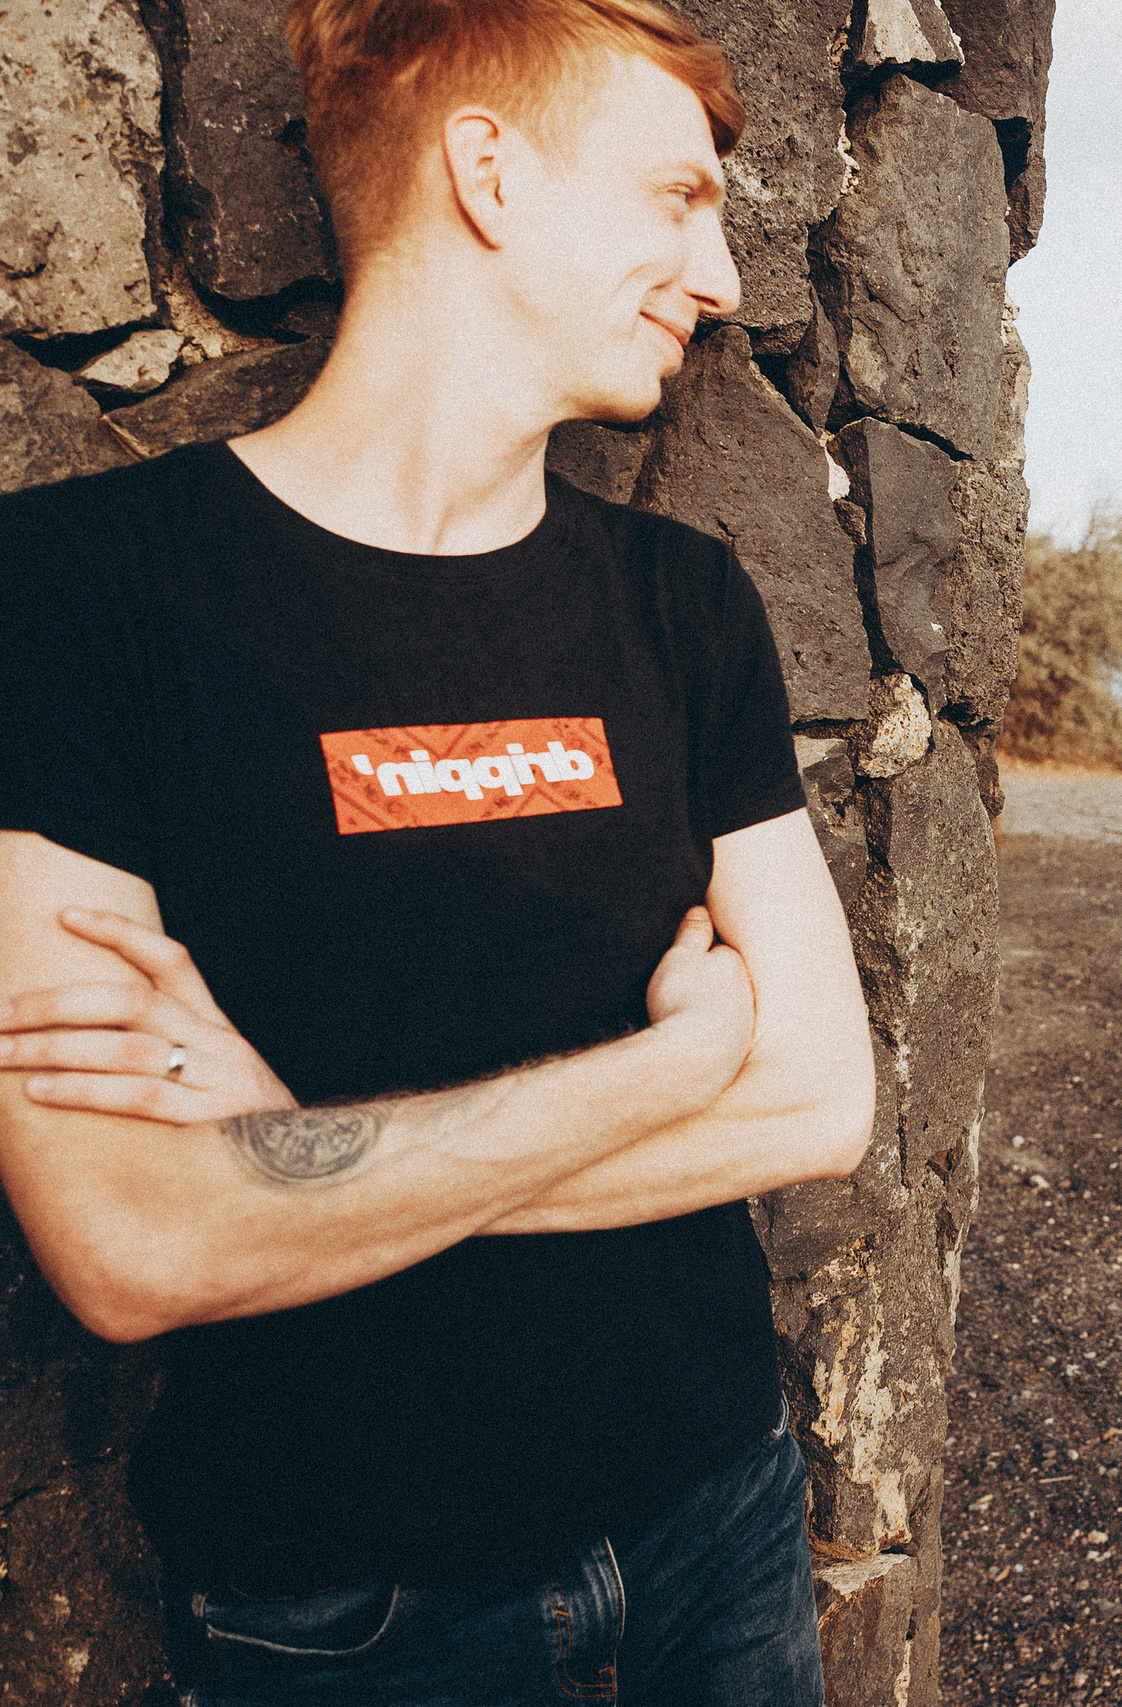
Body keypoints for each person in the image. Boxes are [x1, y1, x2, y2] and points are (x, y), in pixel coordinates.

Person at [0, 1, 873, 1699]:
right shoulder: (79, 594)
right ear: (489, 171)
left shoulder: (685, 606)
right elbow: (132, 1243)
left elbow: (822, 1099)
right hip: (349, 1613)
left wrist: (293, 1165)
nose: (727, 280)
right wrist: (677, 1063)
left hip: (724, 1525)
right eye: (680, 199)